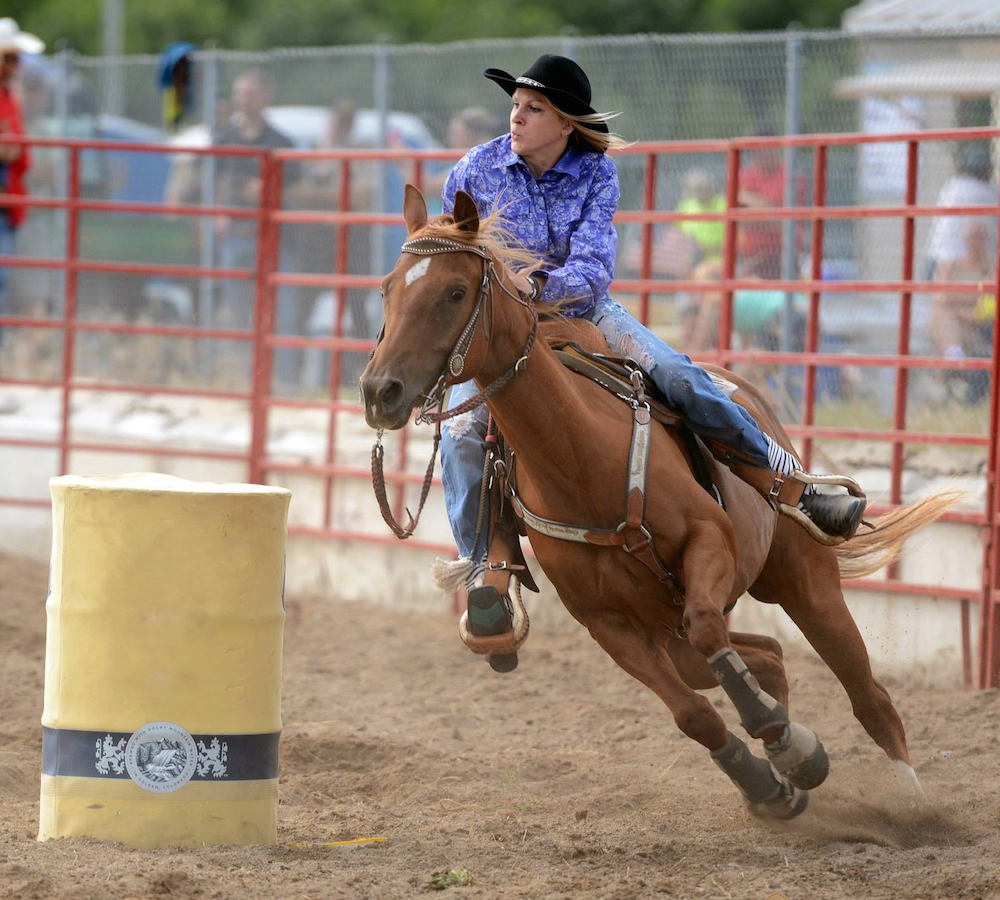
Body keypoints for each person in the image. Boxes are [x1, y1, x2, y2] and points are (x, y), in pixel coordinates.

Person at [439, 55, 866, 594]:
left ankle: (791, 487)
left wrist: (540, 287)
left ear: (566, 123)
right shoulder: (474, 169)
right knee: (458, 433)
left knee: (680, 376)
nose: (516, 118)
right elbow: (453, 253)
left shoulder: (596, 173)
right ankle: (481, 570)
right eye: (516, 106)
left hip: (582, 313)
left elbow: (593, 269)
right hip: (502, 328)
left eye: (533, 109)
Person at [214, 68, 302, 386]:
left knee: (281, 314)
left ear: (266, 97)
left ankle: (281, 383)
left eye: (250, 93)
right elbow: (213, 183)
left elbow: (297, 190)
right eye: (240, 93)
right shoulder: (224, 139)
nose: (244, 100)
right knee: (236, 313)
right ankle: (239, 380)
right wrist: (220, 213)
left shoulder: (281, 142)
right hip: (236, 237)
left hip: (275, 240)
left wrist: (267, 191)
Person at [926, 141, 996, 382]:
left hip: (940, 260)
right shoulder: (987, 193)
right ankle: (953, 361)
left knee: (945, 311)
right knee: (943, 310)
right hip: (955, 266)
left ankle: (950, 366)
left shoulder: (952, 186)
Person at [0, 18, 43, 350]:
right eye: (11, 58)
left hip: (8, 205)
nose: (18, 66)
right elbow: (9, 148)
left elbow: (14, 149)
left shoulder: (8, 96)